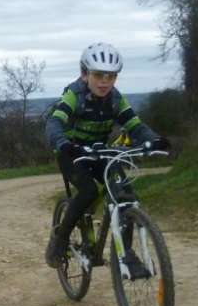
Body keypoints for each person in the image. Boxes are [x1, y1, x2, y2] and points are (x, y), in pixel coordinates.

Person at [44, 42, 171, 268]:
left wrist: (153, 139)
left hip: (100, 153)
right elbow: (55, 122)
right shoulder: (75, 95)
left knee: (127, 194)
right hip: (72, 153)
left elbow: (135, 125)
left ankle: (127, 253)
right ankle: (60, 239)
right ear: (85, 74)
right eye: (99, 75)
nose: (105, 81)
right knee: (89, 191)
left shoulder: (115, 98)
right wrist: (63, 143)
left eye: (111, 76)